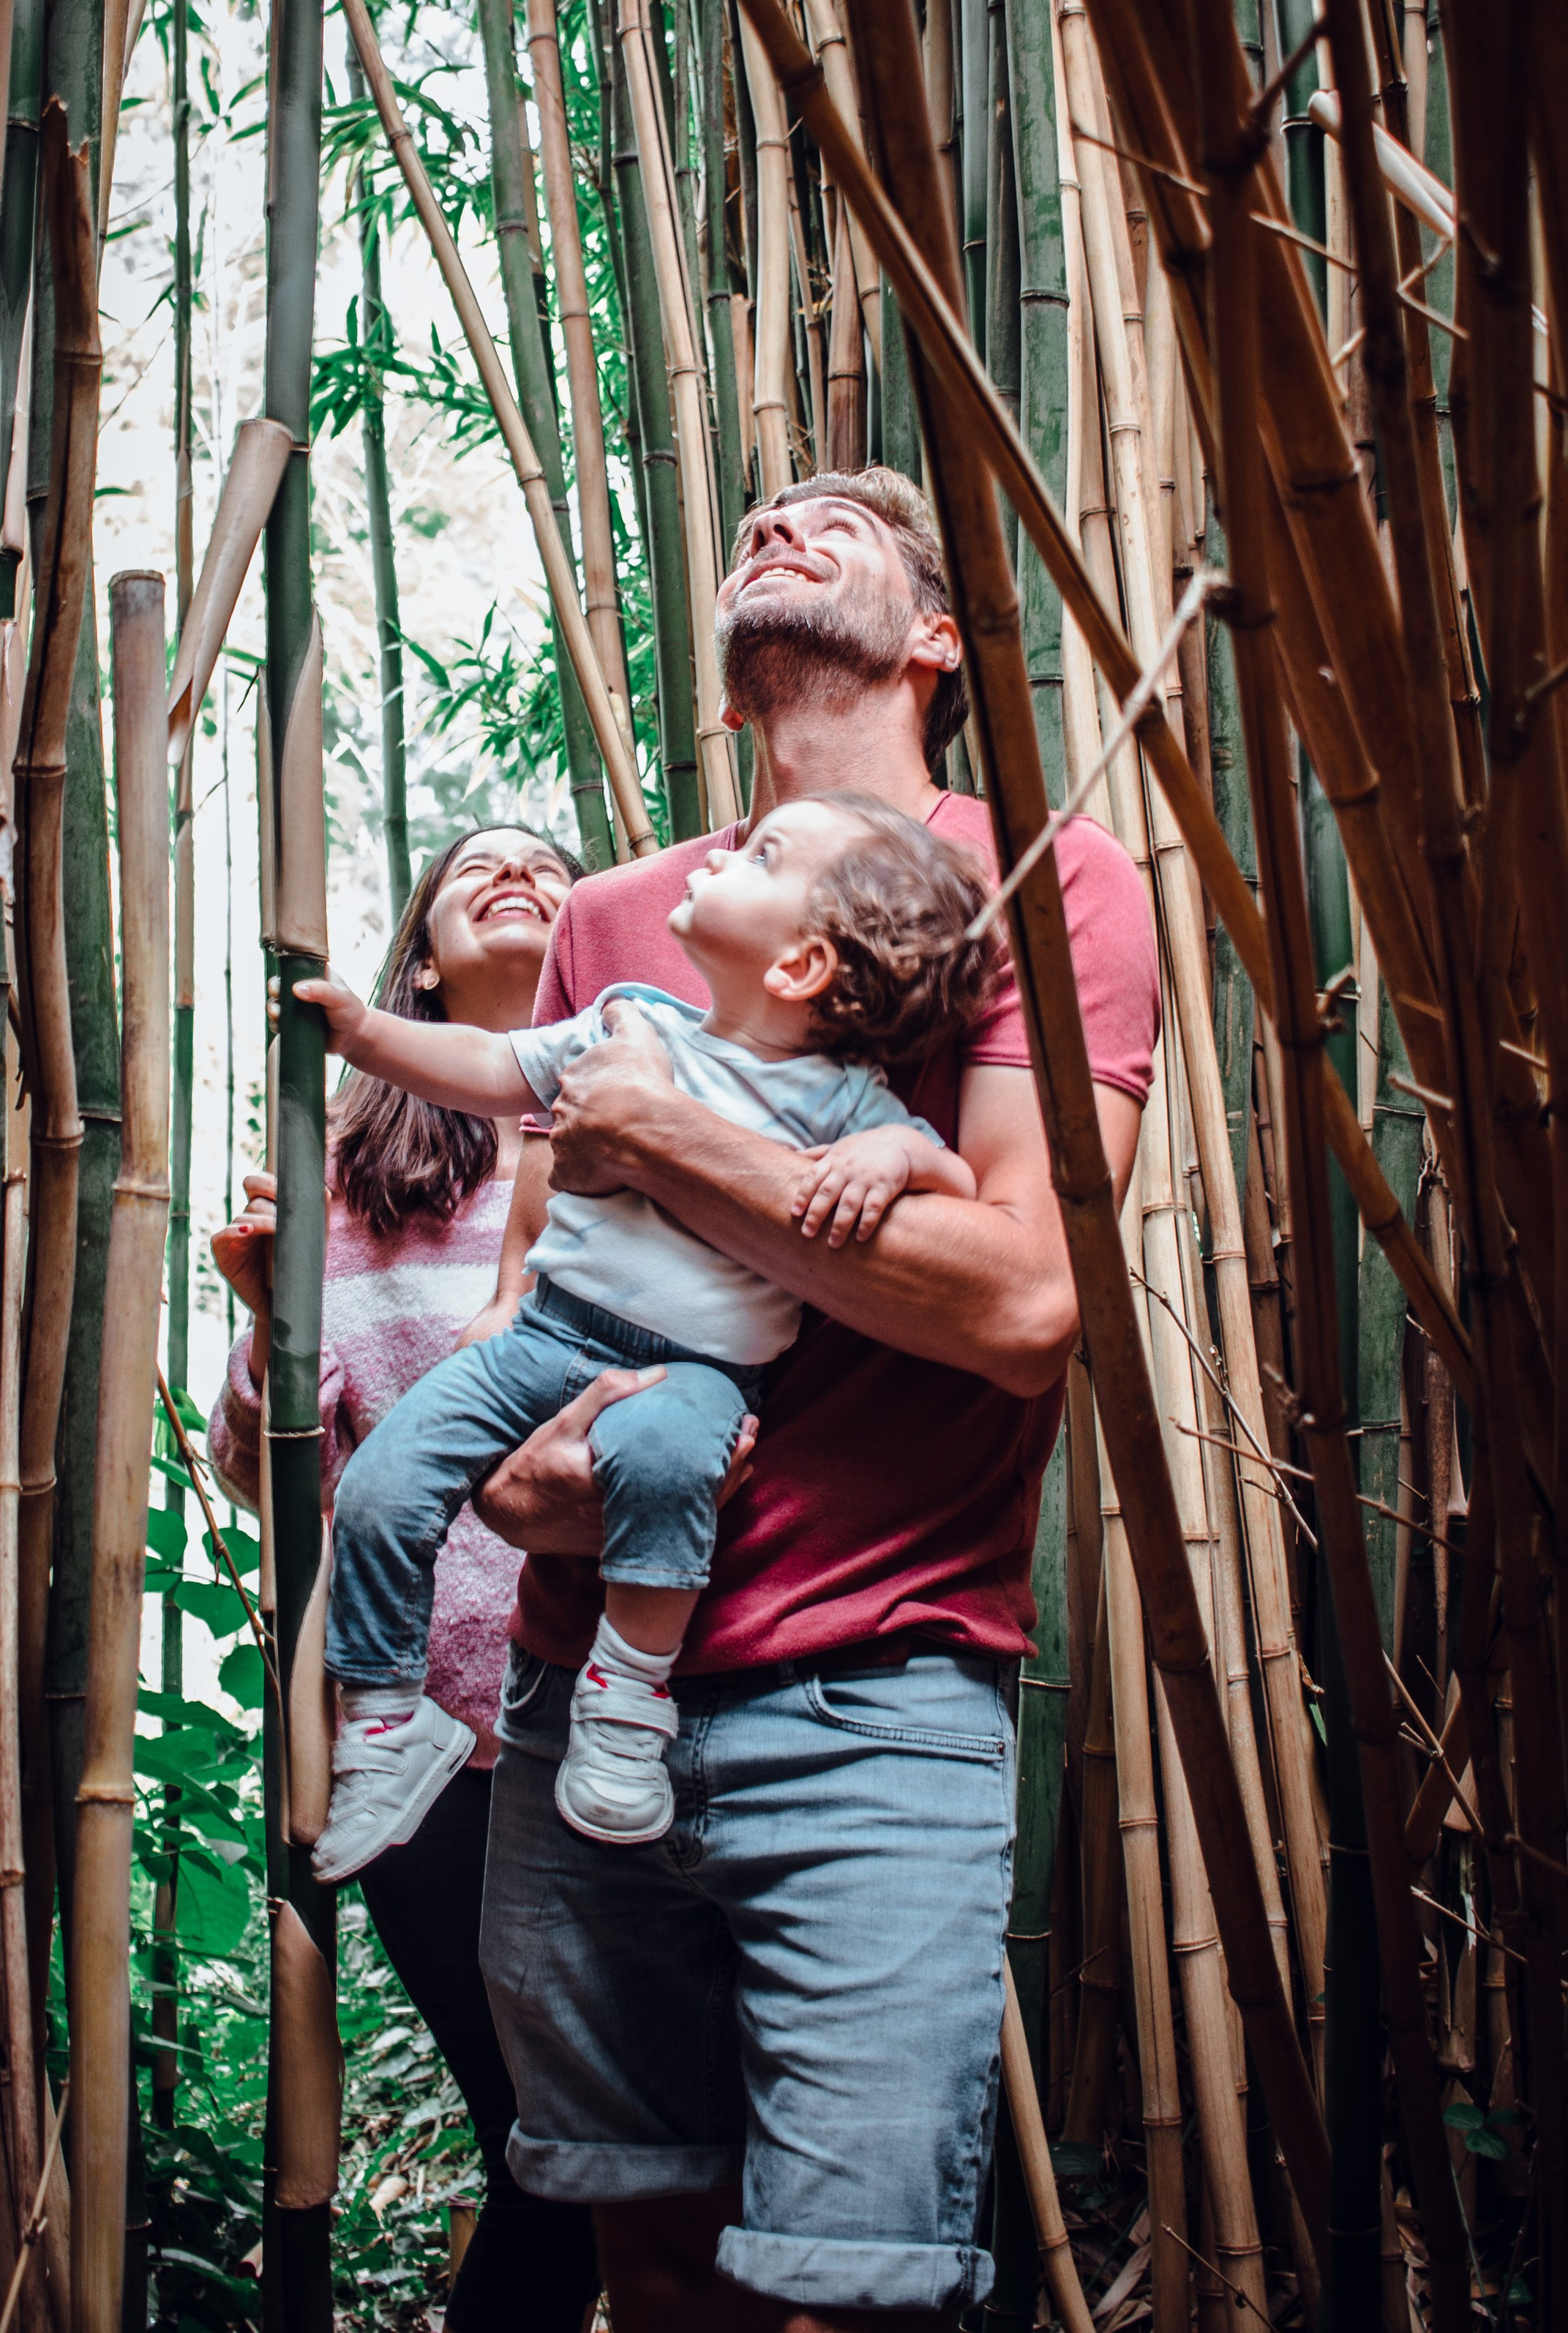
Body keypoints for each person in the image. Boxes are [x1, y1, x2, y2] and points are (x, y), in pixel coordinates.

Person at [469, 470, 1161, 2333]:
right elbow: (540, 1307)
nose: (776, 522)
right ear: (720, 690)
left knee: (850, 2296)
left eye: (837, 523)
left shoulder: (1037, 877)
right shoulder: (623, 916)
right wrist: (520, 1470)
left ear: (939, 639)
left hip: (873, 1690)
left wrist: (658, 1129)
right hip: (580, 1691)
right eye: (755, 519)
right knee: (652, 2273)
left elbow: (1020, 1303)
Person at [294, 793, 999, 1864]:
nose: (711, 861)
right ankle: (390, 1718)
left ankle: (626, 1705)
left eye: (757, 857)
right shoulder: (631, 1021)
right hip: (544, 1337)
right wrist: (363, 1034)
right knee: (388, 1483)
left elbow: (950, 1170)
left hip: (699, 1375)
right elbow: (495, 1067)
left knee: (665, 1472)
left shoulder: (843, 1105)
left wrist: (894, 1158)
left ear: (800, 967)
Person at [208, 825, 600, 2333]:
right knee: (547, 2140)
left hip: (636, 1707)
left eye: (548, 864)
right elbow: (273, 1480)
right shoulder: (353, 1176)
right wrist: (267, 1328)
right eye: (475, 865)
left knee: (630, 2142)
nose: (515, 872)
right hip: (431, 1734)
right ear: (419, 959)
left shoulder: (654, 1132)